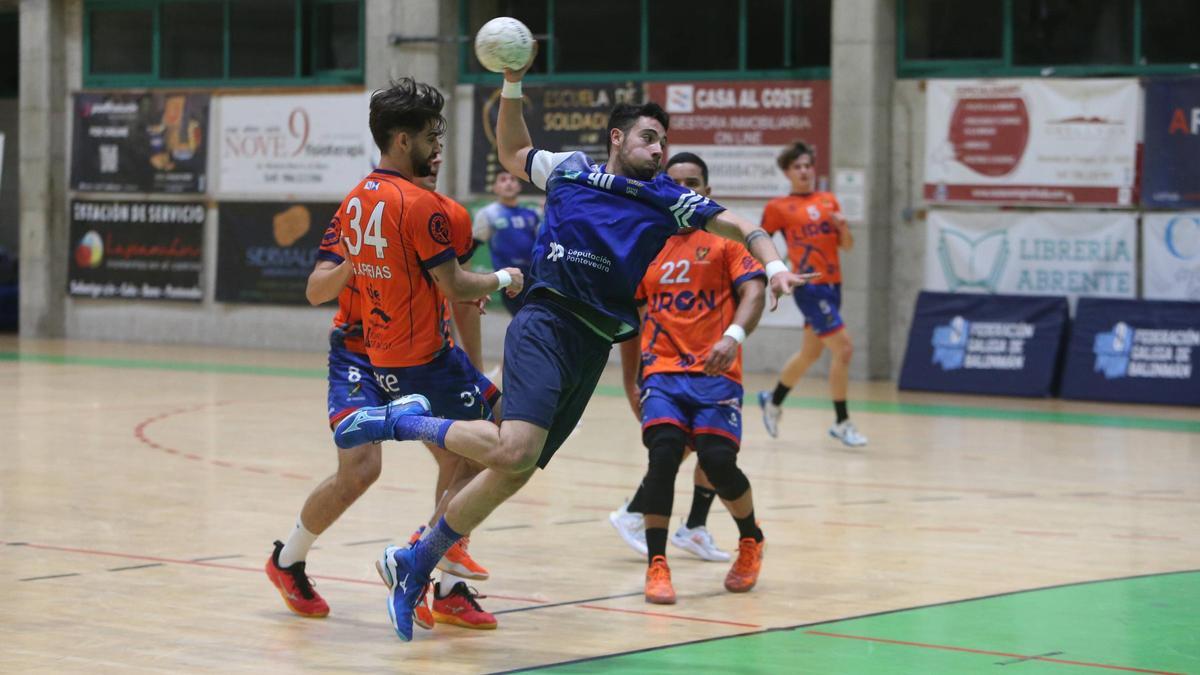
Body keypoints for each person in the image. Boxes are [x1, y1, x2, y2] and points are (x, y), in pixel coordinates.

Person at [330, 49, 813, 642]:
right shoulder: (572, 168)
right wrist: (512, 82)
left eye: (664, 143)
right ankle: (400, 422)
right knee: (514, 449)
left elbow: (741, 225)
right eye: (649, 138)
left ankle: (417, 562)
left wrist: (776, 263)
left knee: (515, 469)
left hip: (591, 345)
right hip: (546, 319)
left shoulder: (666, 198)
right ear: (618, 137)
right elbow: (512, 150)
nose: (659, 151)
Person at [266, 79, 523, 634]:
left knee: (466, 455)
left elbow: (462, 300)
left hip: (421, 352)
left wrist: (472, 373)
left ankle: (443, 578)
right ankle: (288, 559)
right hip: (358, 352)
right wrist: (357, 263)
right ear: (403, 141)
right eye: (430, 138)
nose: (437, 150)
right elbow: (316, 290)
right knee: (361, 470)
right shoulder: (361, 207)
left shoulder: (444, 214)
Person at [611, 152, 768, 604]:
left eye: (694, 182)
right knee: (662, 458)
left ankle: (750, 539)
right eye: (676, 182)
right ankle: (657, 565)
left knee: (718, 463)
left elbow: (754, 292)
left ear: (707, 192)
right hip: (661, 373)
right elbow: (632, 320)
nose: (686, 189)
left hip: (716, 374)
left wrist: (733, 337)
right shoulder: (646, 245)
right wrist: (630, 380)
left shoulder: (726, 241)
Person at [757, 141, 867, 448]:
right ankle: (842, 422)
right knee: (843, 349)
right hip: (809, 286)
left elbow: (847, 245)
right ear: (787, 172)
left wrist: (844, 228)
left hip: (834, 285)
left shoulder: (829, 200)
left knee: (810, 353)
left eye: (807, 165)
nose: (804, 171)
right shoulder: (778, 207)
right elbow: (759, 240)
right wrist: (774, 271)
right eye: (797, 167)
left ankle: (772, 400)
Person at [472, 170, 540, 316]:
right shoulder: (488, 214)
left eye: (512, 179)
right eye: (503, 180)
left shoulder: (532, 213)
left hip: (534, 279)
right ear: (495, 188)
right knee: (522, 320)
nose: (508, 183)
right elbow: (470, 248)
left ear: (519, 186)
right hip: (509, 280)